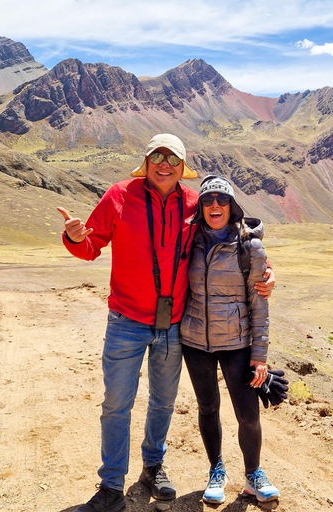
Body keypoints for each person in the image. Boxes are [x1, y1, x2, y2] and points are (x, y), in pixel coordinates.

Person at [57, 134, 275, 512]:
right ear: (146, 162)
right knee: (116, 404)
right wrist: (73, 237)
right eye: (157, 156)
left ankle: (153, 467)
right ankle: (110, 487)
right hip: (126, 320)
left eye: (173, 158)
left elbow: (230, 242)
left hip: (173, 324)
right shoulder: (119, 195)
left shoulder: (195, 203)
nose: (164, 164)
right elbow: (91, 247)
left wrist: (266, 273)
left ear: (182, 167)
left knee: (163, 402)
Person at [180, 175, 280, 505]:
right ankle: (216, 471)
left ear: (232, 206)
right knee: (208, 408)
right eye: (207, 200)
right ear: (201, 207)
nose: (214, 206)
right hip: (195, 342)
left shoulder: (248, 246)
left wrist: (260, 356)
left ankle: (253, 475)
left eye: (221, 200)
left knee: (248, 415)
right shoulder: (188, 240)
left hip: (237, 344)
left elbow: (259, 305)